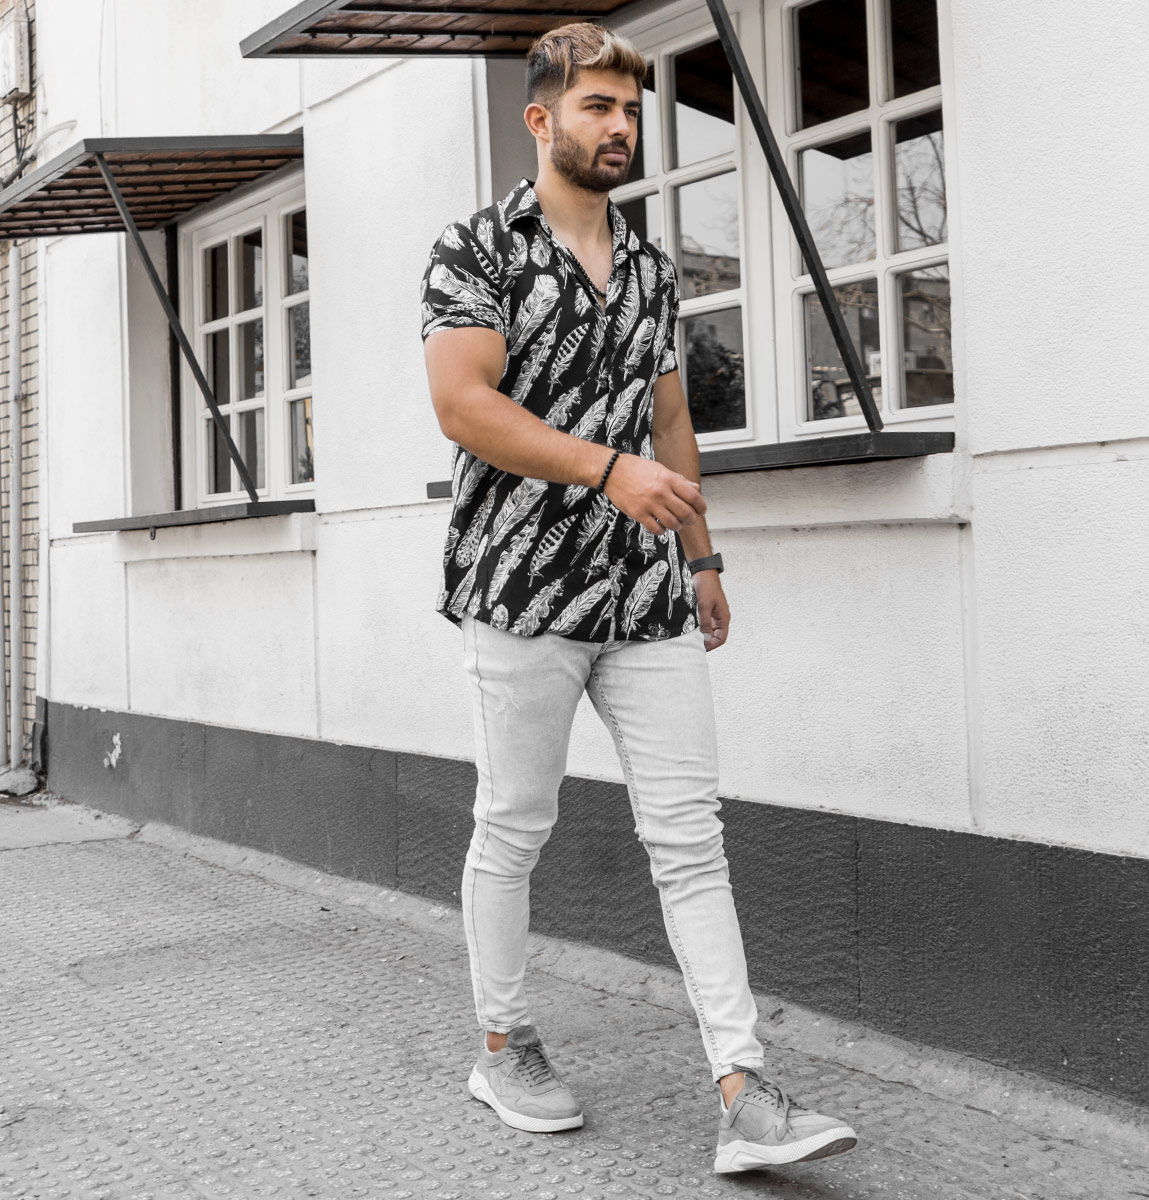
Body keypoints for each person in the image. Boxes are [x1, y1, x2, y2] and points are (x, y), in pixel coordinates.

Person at [419, 21, 858, 1174]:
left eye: (630, 108)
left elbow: (670, 420)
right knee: (515, 823)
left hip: (644, 592)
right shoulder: (476, 249)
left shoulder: (655, 269)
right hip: (518, 584)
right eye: (598, 107)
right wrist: (605, 470)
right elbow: (464, 405)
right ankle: (503, 1043)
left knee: (690, 836)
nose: (621, 127)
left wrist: (702, 558)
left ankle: (744, 1089)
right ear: (541, 119)